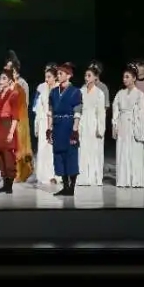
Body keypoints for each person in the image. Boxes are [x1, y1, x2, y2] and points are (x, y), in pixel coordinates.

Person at [47, 63, 83, 196]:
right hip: (57, 125)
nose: (58, 75)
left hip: (68, 125)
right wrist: (49, 128)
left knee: (70, 155)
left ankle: (71, 187)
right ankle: (65, 186)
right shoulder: (53, 92)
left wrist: (75, 130)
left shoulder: (75, 92)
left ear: (69, 75)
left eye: (61, 73)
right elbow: (50, 111)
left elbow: (77, 111)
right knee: (59, 155)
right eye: (58, 73)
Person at [112, 65, 144, 188]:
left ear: (134, 78)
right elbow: (115, 109)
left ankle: (135, 179)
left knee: (134, 151)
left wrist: (138, 126)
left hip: (133, 123)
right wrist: (115, 124)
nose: (124, 79)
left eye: (127, 77)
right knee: (122, 151)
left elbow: (141, 112)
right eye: (123, 77)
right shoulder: (120, 93)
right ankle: (123, 179)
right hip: (122, 124)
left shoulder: (139, 94)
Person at [0, 68, 22, 193]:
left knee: (8, 156)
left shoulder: (13, 94)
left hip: (7, 125)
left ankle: (9, 185)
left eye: (4, 78)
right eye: (0, 78)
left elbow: (15, 116)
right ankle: (4, 183)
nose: (1, 81)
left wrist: (11, 133)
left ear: (10, 81)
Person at [77, 63, 107, 187]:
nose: (86, 78)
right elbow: (77, 109)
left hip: (94, 122)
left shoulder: (100, 93)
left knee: (94, 150)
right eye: (85, 75)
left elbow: (101, 112)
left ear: (95, 77)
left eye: (89, 75)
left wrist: (100, 129)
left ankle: (94, 177)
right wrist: (76, 125)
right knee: (83, 149)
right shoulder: (81, 91)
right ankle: (83, 177)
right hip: (83, 122)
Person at [6, 50, 33, 182]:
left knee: (20, 145)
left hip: (20, 118)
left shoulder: (23, 84)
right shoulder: (7, 83)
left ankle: (21, 172)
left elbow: (25, 103)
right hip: (8, 118)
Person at [33, 64, 60, 185]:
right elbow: (38, 107)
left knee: (53, 149)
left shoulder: (59, 89)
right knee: (44, 148)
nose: (46, 79)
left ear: (55, 77)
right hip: (44, 121)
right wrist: (37, 123)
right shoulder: (43, 89)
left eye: (49, 77)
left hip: (56, 121)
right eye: (45, 77)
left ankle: (55, 175)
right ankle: (44, 175)